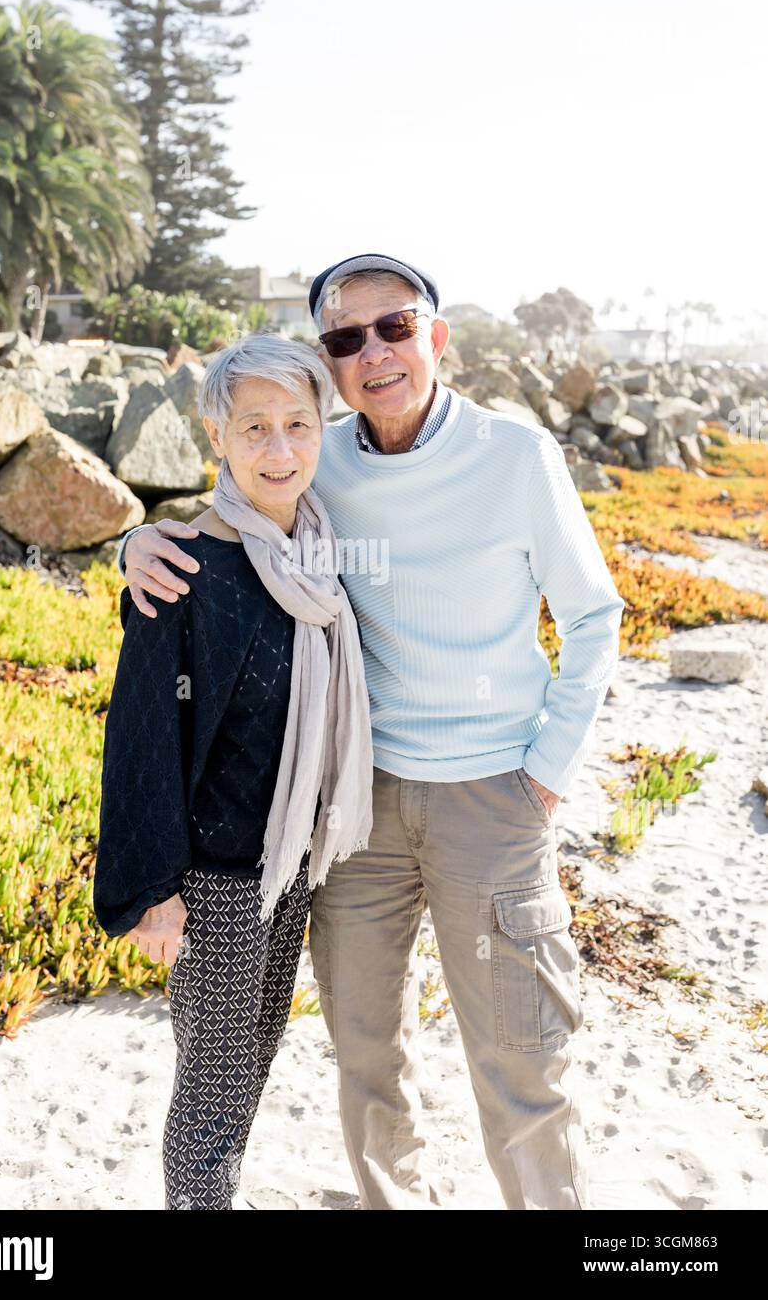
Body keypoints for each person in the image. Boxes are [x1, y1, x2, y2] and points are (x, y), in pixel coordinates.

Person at [115, 253, 627, 1211]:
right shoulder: (322, 461)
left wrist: (546, 774)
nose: (375, 351)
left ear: (437, 338)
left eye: (395, 327)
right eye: (347, 338)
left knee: (521, 1063)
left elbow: (595, 619)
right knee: (366, 1057)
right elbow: (237, 522)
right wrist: (133, 542)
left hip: (495, 800)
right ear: (330, 362)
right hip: (356, 813)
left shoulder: (519, 459)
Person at [93, 333, 374, 1210]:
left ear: (323, 430)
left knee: (254, 1061)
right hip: (214, 884)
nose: (280, 449)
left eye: (298, 424)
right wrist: (151, 888)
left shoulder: (320, 557)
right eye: (254, 427)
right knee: (210, 1090)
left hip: (292, 865)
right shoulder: (185, 569)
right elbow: (138, 740)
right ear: (215, 433)